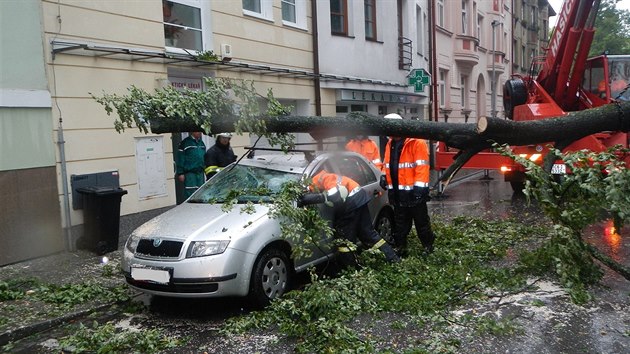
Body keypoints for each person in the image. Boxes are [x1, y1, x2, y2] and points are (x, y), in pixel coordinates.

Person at [299, 169, 400, 266]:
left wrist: (310, 199)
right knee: (368, 234)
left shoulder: (323, 179)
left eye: (309, 189)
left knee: (345, 240)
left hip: (352, 203)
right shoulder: (326, 177)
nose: (310, 191)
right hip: (359, 199)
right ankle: (393, 259)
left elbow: (334, 195)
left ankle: (350, 268)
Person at [380, 113, 435, 256]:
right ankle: (401, 248)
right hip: (398, 192)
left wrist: (419, 190)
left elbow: (422, 167)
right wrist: (383, 175)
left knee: (421, 222)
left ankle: (428, 246)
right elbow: (387, 164)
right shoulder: (390, 144)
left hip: (414, 192)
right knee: (400, 223)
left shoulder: (416, 142)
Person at [176, 131, 206, 199]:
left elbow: (204, 157)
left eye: (200, 131)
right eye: (197, 131)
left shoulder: (201, 143)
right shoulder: (185, 143)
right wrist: (180, 173)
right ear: (192, 132)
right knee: (190, 193)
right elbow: (180, 158)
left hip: (200, 172)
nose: (199, 133)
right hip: (190, 173)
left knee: (200, 192)